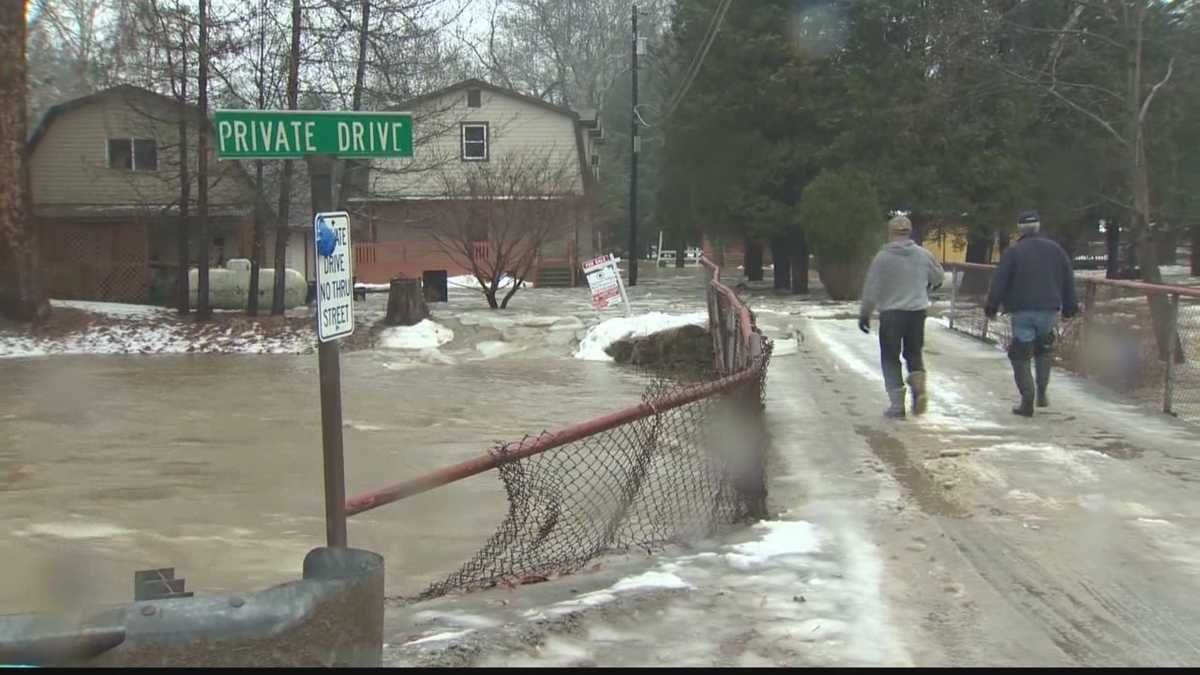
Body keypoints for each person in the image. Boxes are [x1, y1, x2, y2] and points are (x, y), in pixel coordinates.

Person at [985, 210, 1079, 417]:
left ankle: (1027, 397)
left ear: (1020, 229)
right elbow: (1068, 278)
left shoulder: (1014, 252)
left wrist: (992, 305)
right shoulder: (1056, 250)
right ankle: (1042, 391)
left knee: (1021, 353)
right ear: (1039, 227)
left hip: (1022, 310)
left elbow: (1000, 281)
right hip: (1049, 309)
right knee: (1043, 348)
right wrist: (1070, 306)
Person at [859, 215, 945, 418]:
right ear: (909, 232)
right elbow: (939, 277)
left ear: (890, 233)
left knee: (890, 357)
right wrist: (929, 285)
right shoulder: (923, 255)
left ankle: (897, 405)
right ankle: (918, 387)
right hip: (917, 312)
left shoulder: (882, 258)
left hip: (891, 314)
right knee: (914, 353)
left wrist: (865, 314)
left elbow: (871, 288)